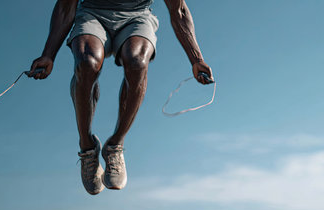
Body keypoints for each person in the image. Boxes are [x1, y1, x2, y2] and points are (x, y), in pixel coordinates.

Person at [27, 0, 214, 195]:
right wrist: (48, 54)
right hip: (92, 12)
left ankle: (115, 145)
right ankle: (87, 147)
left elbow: (180, 10)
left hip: (137, 16)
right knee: (87, 62)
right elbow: (66, 7)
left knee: (137, 62)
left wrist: (196, 58)